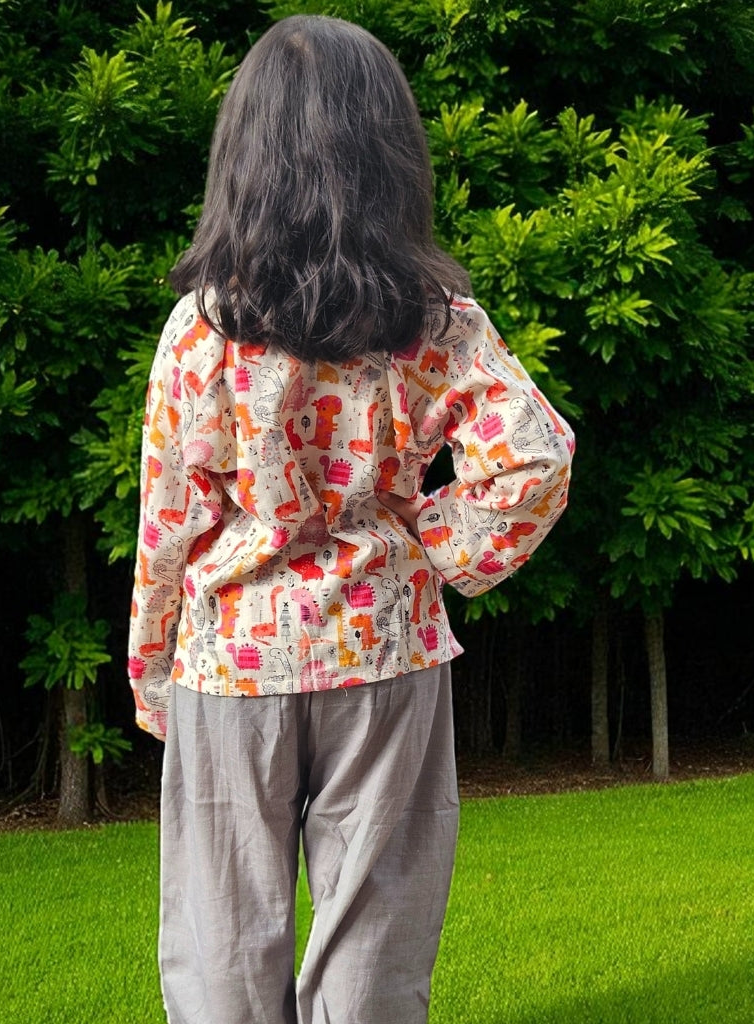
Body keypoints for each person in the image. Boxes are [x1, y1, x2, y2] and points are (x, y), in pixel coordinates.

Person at [127, 14, 574, 1024]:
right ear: (389, 153)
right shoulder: (433, 319)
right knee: (375, 941)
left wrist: (152, 668)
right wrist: (433, 549)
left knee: (221, 942)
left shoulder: (202, 327)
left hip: (228, 663)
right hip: (384, 649)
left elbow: (169, 515)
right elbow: (533, 460)